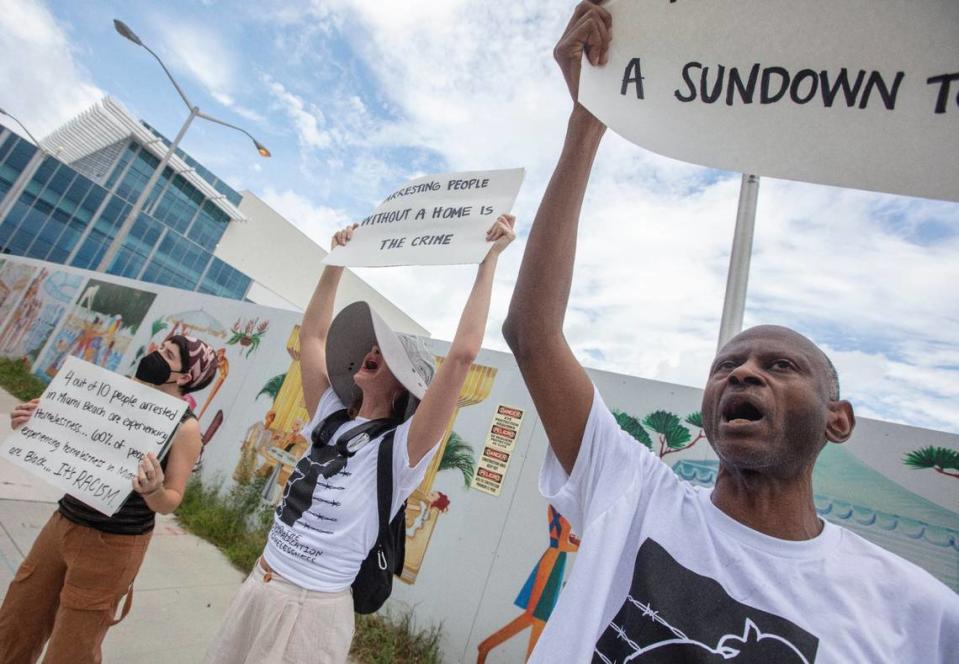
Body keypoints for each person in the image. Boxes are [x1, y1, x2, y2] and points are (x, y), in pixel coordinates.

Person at [501, 3, 959, 662]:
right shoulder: (631, 493)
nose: (743, 373)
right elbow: (531, 332)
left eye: (779, 367)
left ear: (838, 420)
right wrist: (586, 123)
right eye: (727, 365)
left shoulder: (918, 613)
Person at [204, 215, 516, 664]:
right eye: (374, 346)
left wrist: (488, 262)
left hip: (308, 611)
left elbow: (463, 357)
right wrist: (336, 262)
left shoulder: (401, 451)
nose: (372, 350)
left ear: (403, 387)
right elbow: (313, 335)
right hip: (259, 584)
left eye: (386, 354)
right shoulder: (329, 417)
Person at [0, 334, 218, 664]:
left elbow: (171, 500)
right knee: (16, 621)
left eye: (168, 355)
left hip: (113, 544)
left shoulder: (185, 429)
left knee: (73, 647)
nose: (155, 354)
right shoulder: (111, 393)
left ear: (185, 377)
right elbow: (67, 437)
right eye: (159, 347)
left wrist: (154, 491)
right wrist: (31, 423)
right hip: (63, 521)